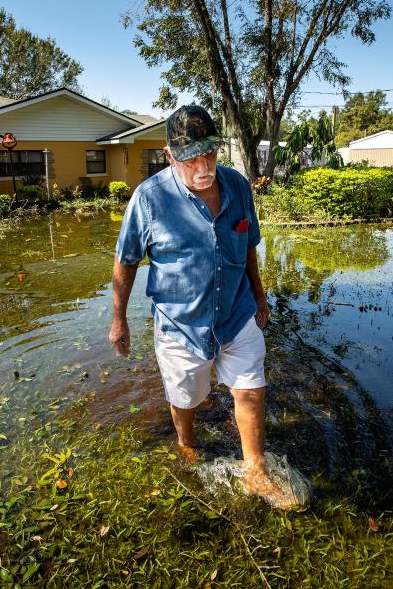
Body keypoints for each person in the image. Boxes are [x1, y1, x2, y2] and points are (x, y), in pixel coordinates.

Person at [110, 104, 285, 505]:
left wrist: (259, 296)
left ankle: (255, 471)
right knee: (186, 398)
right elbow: (126, 261)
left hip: (237, 314)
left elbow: (249, 248)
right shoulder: (149, 199)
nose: (203, 165)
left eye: (210, 152)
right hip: (180, 324)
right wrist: (119, 320)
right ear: (170, 155)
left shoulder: (238, 186)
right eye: (191, 157)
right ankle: (186, 443)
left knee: (250, 391)